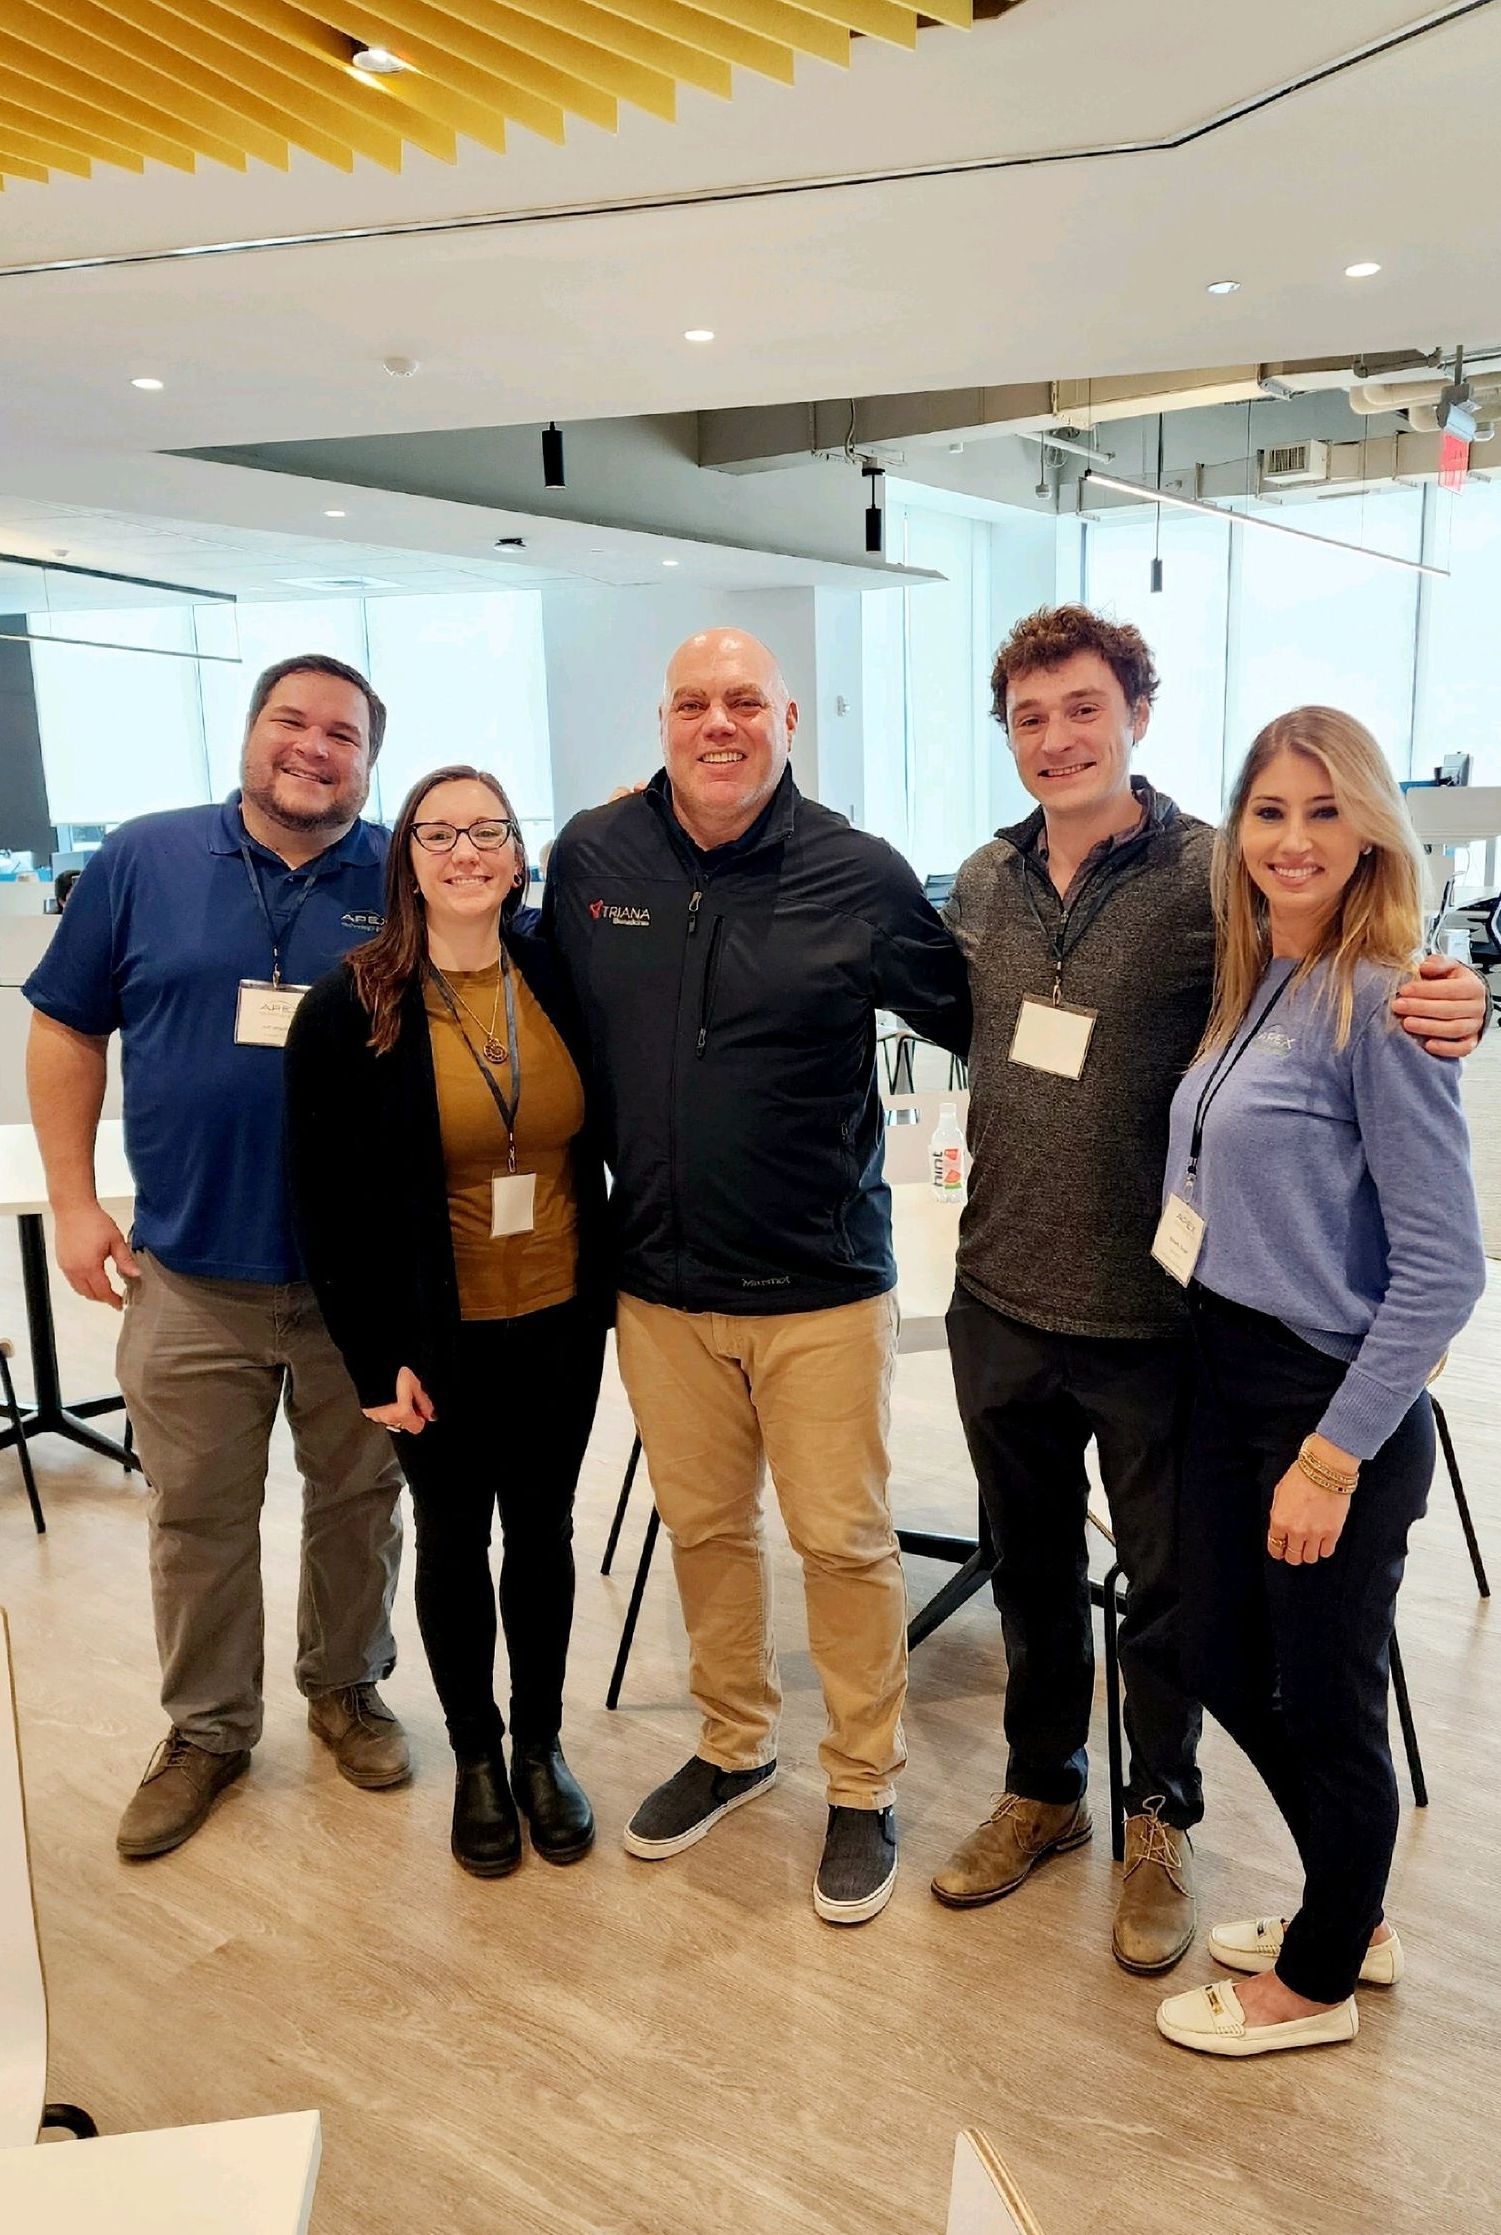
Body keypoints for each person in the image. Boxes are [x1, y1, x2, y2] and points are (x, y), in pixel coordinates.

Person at [933, 607, 1485, 1974]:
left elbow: (1369, 985)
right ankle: (1042, 1786)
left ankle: (1161, 1816)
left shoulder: (1205, 874)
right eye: (1029, 716)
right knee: (1038, 1575)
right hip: (1000, 1289)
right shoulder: (983, 884)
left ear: (1135, 715)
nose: (1057, 737)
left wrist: (1464, 992)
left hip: (1160, 1319)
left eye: (1082, 708)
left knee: (1182, 1605)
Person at [544, 628, 970, 1925]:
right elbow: (533, 1010)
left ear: (787, 716)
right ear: (662, 720)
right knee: (707, 1530)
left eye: (742, 702)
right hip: (658, 1284)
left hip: (821, 1284)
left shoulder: (859, 872)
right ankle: (736, 1742)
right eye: (692, 703)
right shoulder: (594, 856)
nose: (716, 723)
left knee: (840, 1539)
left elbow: (985, 1017)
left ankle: (862, 1779)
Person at [24, 655, 408, 1859]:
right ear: (251, 735)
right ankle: (207, 1728)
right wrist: (76, 1199)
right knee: (196, 1516)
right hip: (188, 1270)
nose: (312, 747)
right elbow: (67, 1026)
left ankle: (345, 1687)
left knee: (359, 1502)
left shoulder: (402, 871)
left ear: (367, 758)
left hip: (362, 1285)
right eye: (290, 722)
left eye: (340, 733)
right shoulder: (146, 858)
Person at [1153, 708, 1484, 2056]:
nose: (1293, 838)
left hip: (1321, 1401)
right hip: (1227, 1372)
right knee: (1218, 1648)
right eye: (1269, 810)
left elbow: (1447, 1268)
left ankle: (1321, 1974)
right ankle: (1353, 1895)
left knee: (1323, 1692)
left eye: (1322, 810)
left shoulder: (1383, 999)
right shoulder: (1264, 978)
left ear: (1367, 833)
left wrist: (1332, 1451)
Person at [285, 766, 609, 1879]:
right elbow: (320, 1205)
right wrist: (375, 1361)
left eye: (489, 831)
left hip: (561, 1319)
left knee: (546, 1535)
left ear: (519, 855)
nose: (465, 851)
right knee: (454, 1539)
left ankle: (541, 1749)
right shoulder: (352, 1006)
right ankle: (477, 1756)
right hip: (437, 1337)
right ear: (406, 857)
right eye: (439, 832)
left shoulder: (559, 977)